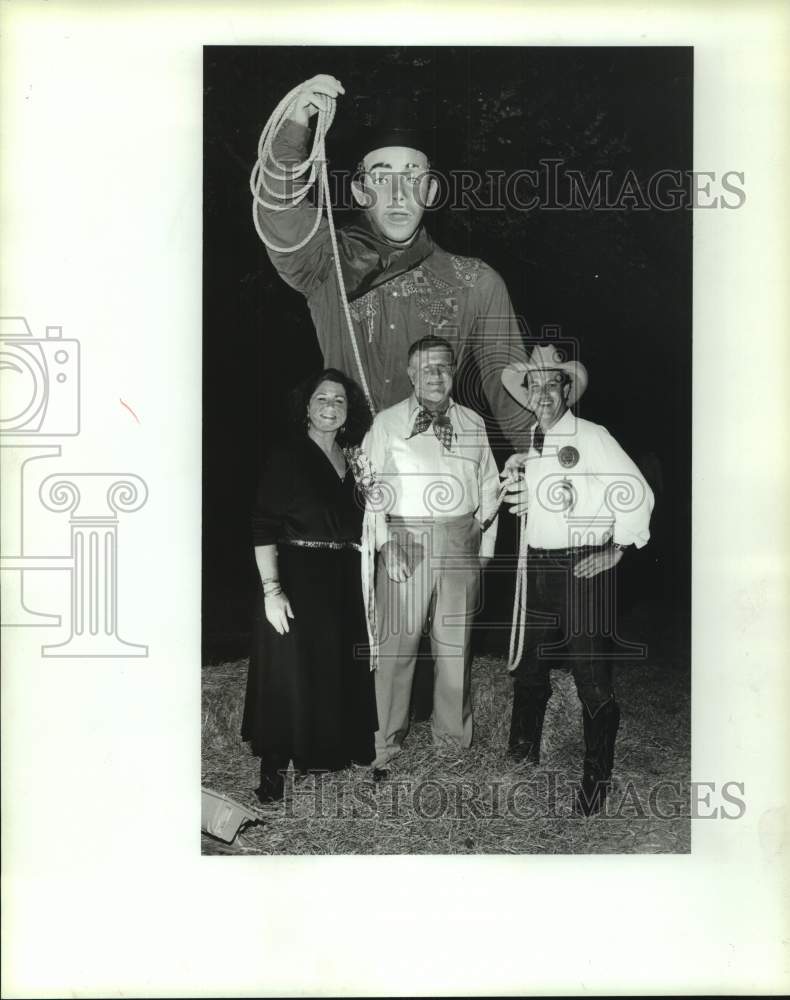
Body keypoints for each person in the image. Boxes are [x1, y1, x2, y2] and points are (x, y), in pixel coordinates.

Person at [251, 73, 534, 450]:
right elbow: (279, 215)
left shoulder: (476, 283)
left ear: (431, 190)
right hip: (346, 480)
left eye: (413, 177)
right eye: (382, 179)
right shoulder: (327, 262)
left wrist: (540, 465)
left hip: (436, 480)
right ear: (359, 191)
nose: (399, 194)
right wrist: (295, 123)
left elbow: (511, 388)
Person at [500, 343, 655, 816]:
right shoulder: (533, 440)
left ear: (567, 390)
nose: (543, 392)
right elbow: (549, 501)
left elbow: (637, 491)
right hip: (540, 566)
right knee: (529, 667)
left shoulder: (592, 435)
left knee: (589, 674)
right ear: (526, 393)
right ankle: (522, 757)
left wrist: (618, 548)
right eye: (535, 384)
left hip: (582, 566)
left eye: (553, 383)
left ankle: (596, 779)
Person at [362, 335, 500, 771]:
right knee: (396, 648)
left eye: (443, 367)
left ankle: (452, 744)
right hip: (406, 540)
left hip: (461, 540)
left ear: (454, 371)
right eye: (425, 368)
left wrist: (483, 547)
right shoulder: (386, 423)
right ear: (410, 373)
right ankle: (384, 743)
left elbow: (490, 485)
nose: (435, 376)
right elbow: (370, 492)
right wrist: (385, 544)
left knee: (455, 647)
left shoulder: (475, 423)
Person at [241, 369, 377, 802]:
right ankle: (273, 773)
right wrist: (272, 590)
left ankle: (330, 753)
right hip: (297, 575)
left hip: (341, 577)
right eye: (322, 399)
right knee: (289, 671)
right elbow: (263, 526)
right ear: (306, 406)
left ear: (348, 411)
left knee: (333, 666)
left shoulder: (352, 459)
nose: (331, 407)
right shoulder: (287, 455)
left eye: (339, 400)